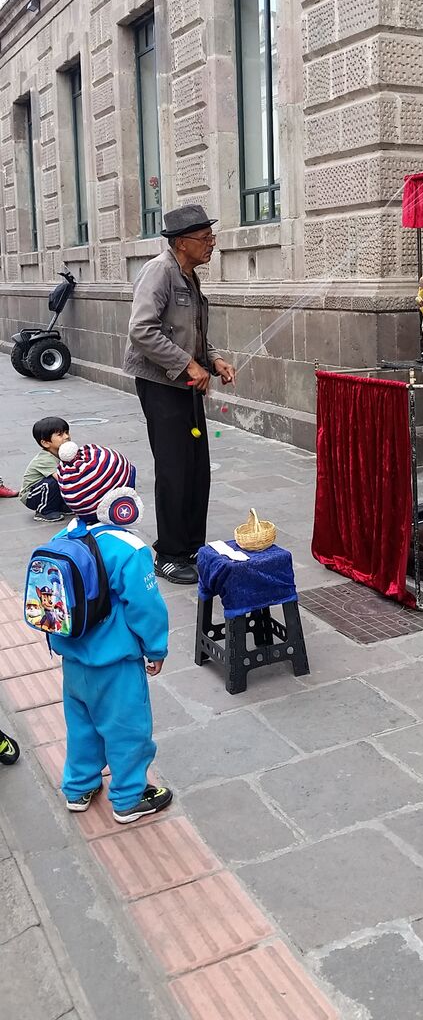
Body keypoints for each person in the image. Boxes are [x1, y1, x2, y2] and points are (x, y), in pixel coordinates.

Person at [52, 440, 172, 824]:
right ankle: (128, 797)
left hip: (73, 660)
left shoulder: (62, 539)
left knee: (82, 726)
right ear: (117, 501)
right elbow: (146, 608)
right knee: (128, 732)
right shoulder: (129, 548)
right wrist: (156, 648)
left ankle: (79, 788)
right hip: (115, 664)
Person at [123, 205, 236, 585]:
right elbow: (142, 329)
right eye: (205, 239)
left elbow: (193, 330)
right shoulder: (160, 271)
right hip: (161, 385)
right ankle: (169, 554)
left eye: (211, 237)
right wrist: (189, 365)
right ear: (181, 242)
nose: (211, 245)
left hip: (187, 384)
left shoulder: (189, 276)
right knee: (174, 468)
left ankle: (191, 546)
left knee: (196, 467)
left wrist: (214, 359)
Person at [19, 416, 72, 522]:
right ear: (46, 443)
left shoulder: (64, 453)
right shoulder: (45, 459)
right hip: (31, 495)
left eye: (67, 432)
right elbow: (62, 479)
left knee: (66, 478)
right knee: (55, 482)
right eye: (60, 434)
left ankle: (61, 506)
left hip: (46, 491)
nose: (66, 436)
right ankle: (45, 511)